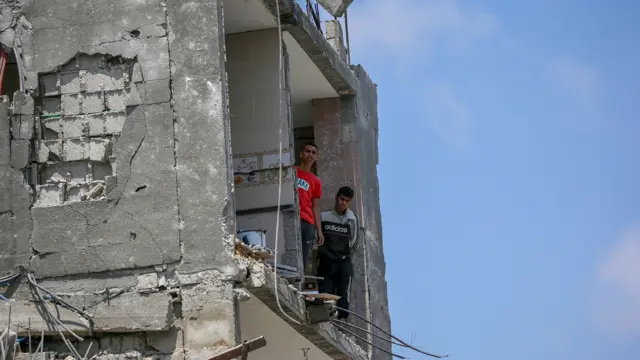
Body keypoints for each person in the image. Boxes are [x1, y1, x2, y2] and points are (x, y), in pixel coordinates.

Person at [317, 186, 358, 319]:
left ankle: (341, 324)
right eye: (342, 199)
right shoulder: (324, 217)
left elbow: (354, 242)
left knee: (343, 294)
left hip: (343, 261)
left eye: (347, 200)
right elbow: (316, 238)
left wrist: (343, 254)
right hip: (326, 261)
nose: (343, 203)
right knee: (325, 293)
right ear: (337, 197)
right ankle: (325, 320)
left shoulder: (352, 219)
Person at [294, 143, 324, 273]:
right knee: (292, 251)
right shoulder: (292, 171)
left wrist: (319, 230)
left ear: (316, 157)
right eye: (307, 151)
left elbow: (315, 206)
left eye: (313, 152)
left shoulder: (315, 180)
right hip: (293, 217)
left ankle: (299, 286)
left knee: (304, 258)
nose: (310, 154)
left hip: (308, 223)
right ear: (301, 154)